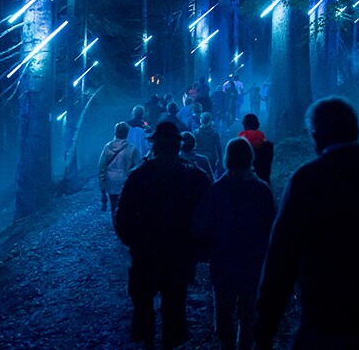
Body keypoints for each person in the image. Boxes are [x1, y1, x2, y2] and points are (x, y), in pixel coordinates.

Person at [255, 97, 359, 349]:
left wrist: (265, 329)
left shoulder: (306, 180)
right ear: (355, 129)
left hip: (324, 321)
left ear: (316, 136)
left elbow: (281, 257)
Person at [115, 121, 211, 349]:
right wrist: (197, 249)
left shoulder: (139, 176)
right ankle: (169, 343)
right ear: (179, 145)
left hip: (146, 254)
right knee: (174, 306)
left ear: (154, 145)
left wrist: (135, 243)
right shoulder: (195, 177)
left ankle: (148, 341)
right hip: (179, 254)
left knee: (143, 303)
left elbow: (122, 217)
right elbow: (208, 215)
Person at [194, 139, 276, 350]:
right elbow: (272, 227)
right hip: (253, 262)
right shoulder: (262, 190)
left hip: (223, 262)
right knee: (249, 315)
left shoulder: (217, 190)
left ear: (227, 159)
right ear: (250, 158)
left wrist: (204, 250)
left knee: (224, 314)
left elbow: (200, 225)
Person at [98, 122, 142, 224]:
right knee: (126, 205)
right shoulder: (132, 148)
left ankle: (116, 226)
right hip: (125, 181)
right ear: (127, 133)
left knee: (114, 205)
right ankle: (126, 226)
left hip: (111, 180)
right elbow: (138, 167)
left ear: (115, 132)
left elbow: (101, 167)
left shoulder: (107, 147)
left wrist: (102, 184)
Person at [238, 114, 273, 185]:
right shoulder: (261, 136)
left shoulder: (241, 136)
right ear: (257, 125)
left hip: (245, 174)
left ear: (244, 125)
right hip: (262, 172)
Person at [194, 112, 223, 179]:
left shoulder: (196, 133)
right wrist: (220, 158)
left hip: (200, 158)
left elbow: (194, 146)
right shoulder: (214, 132)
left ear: (201, 120)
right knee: (210, 176)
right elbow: (218, 146)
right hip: (212, 158)